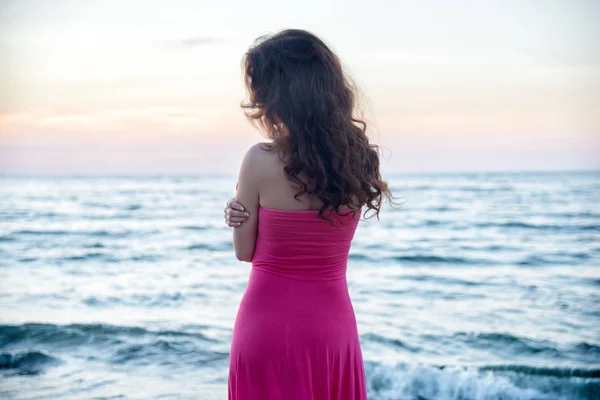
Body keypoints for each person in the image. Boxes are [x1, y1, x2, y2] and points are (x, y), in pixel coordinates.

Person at [224, 29, 392, 400]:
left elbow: (244, 252)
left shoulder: (259, 161)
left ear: (276, 95)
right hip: (331, 327)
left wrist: (238, 215)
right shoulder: (358, 161)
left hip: (265, 325)